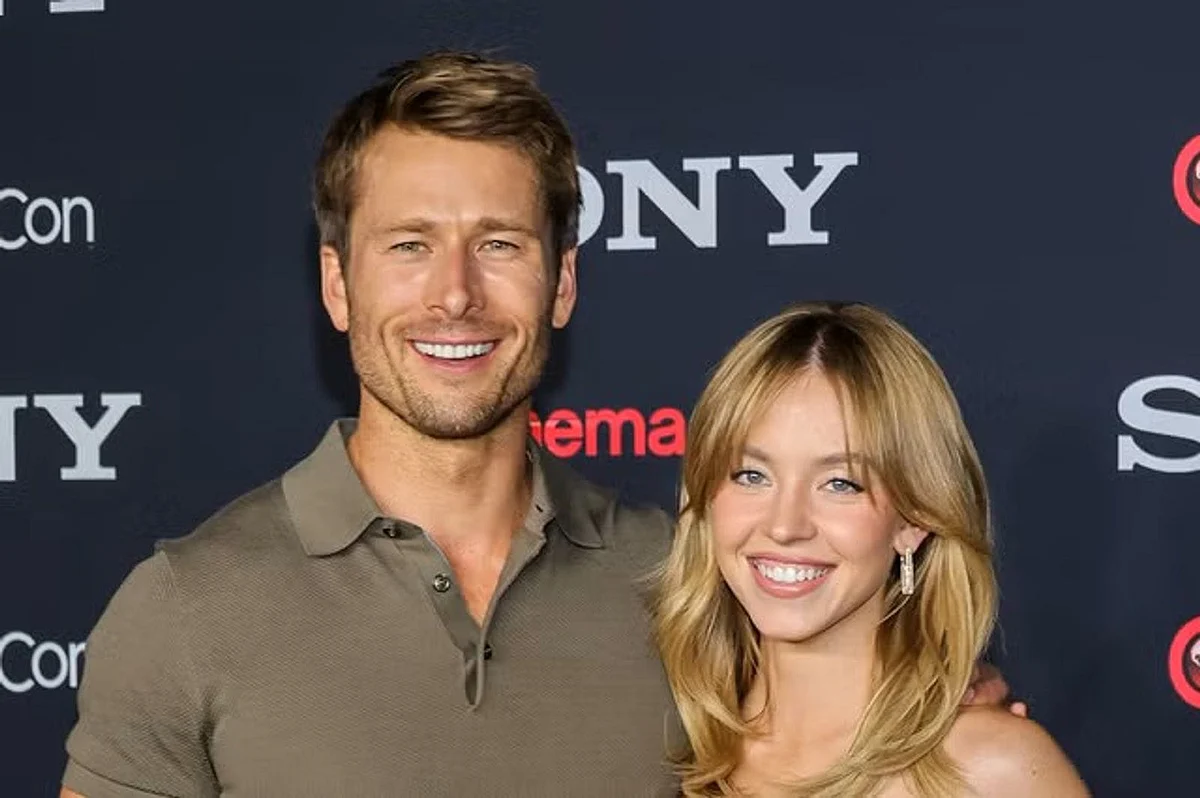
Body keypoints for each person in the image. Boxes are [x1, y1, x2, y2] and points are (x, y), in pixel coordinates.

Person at [60, 53, 1012, 797]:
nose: (455, 294)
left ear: (562, 284)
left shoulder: (688, 586)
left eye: (499, 244)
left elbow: (855, 723)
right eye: (410, 245)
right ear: (337, 285)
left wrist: (956, 734)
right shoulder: (185, 612)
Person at [652, 302, 1089, 797]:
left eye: (841, 484)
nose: (785, 526)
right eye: (752, 476)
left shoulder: (991, 769)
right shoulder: (660, 744)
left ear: (914, 519)